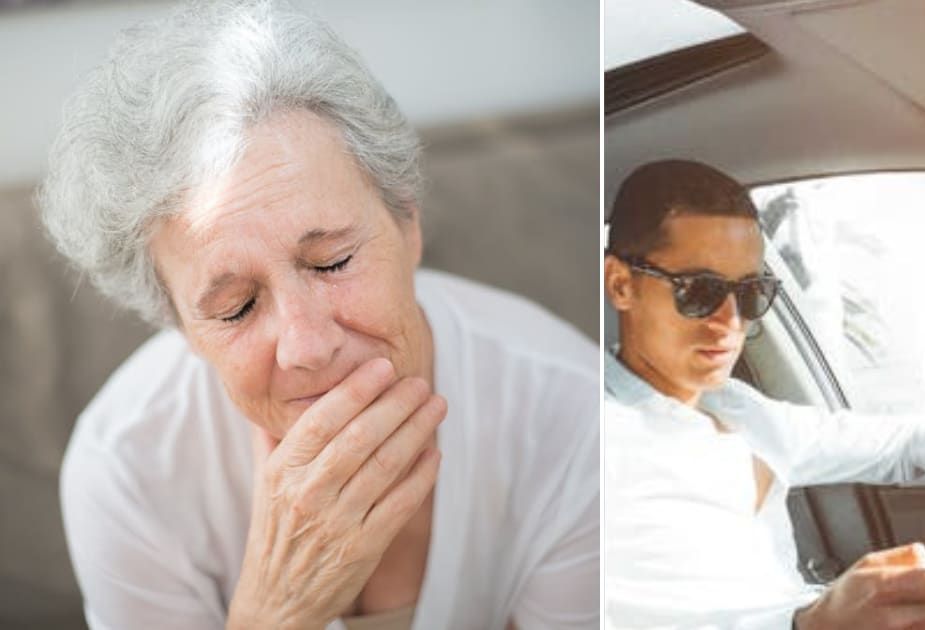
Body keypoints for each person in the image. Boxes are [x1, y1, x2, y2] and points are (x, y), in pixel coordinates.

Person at [42, 2, 598, 629]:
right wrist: (277, 611)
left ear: (407, 224)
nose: (307, 345)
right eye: (236, 308)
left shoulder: (574, 418)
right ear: (181, 329)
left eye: (332, 262)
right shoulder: (126, 469)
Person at [603, 159, 925, 629]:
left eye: (749, 293)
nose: (732, 321)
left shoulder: (742, 409)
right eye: (699, 291)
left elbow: (908, 440)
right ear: (621, 284)